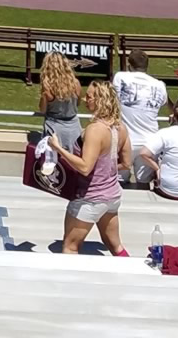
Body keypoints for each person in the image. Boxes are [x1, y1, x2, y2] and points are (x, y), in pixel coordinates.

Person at [56, 80, 128, 256]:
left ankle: (71, 283)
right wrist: (106, 169)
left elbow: (85, 167)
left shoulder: (95, 130)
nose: (84, 99)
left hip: (90, 198)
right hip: (112, 195)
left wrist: (58, 148)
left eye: (89, 96)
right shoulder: (120, 127)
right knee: (115, 245)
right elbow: (126, 163)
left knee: (70, 246)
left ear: (100, 100)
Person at [111, 48, 170, 187]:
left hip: (124, 141)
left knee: (118, 182)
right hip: (149, 142)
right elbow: (163, 103)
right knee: (143, 184)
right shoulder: (160, 85)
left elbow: (113, 98)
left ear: (130, 65)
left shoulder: (120, 77)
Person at [37, 51, 81, 151]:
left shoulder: (47, 86)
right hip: (74, 128)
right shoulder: (76, 83)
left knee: (53, 162)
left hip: (54, 129)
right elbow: (77, 104)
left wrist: (43, 97)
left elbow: (42, 110)